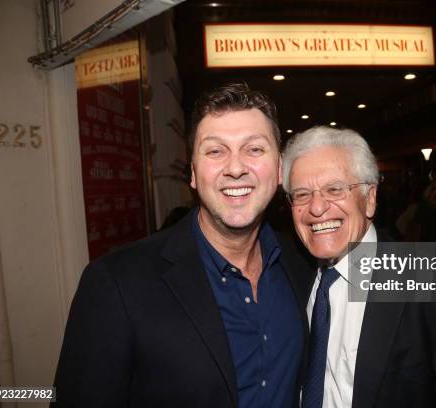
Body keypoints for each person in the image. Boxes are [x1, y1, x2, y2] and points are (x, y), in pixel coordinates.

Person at [52, 83, 311, 408]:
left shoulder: (301, 263)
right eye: (215, 151)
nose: (235, 168)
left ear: (279, 170)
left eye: (255, 149)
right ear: (192, 172)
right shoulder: (116, 284)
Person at [281, 126, 436, 408]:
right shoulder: (290, 269)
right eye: (301, 194)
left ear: (370, 198)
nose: (316, 207)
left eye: (334, 189)